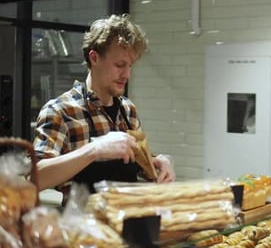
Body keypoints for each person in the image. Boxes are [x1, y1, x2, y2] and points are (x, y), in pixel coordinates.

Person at [32, 14, 175, 195]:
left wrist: (158, 163)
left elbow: (140, 162)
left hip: (126, 220)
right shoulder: (60, 111)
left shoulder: (127, 110)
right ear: (94, 58)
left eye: (130, 66)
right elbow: (35, 179)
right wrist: (95, 149)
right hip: (83, 222)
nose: (127, 75)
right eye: (120, 64)